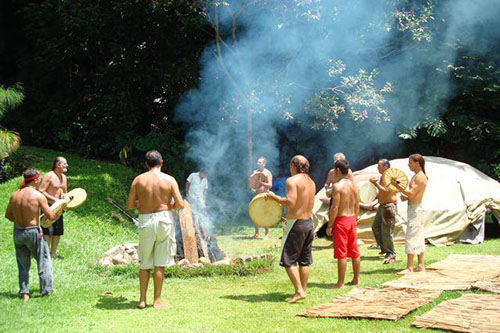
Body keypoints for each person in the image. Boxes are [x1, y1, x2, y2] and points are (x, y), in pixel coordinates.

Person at [126, 150, 184, 309]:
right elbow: (180, 204)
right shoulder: (169, 179)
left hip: (146, 219)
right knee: (160, 264)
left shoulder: (138, 180)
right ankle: (157, 300)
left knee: (145, 263)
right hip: (164, 218)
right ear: (162, 162)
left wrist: (141, 203)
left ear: (146, 164)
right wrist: (170, 205)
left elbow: (130, 205)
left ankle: (142, 300)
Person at [264, 155, 316, 303]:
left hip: (296, 224)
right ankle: (302, 290)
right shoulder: (311, 182)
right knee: (304, 261)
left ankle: (299, 291)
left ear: (294, 165)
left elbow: (291, 202)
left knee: (288, 260)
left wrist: (274, 197)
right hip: (309, 223)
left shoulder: (292, 181)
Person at [5, 169, 57, 301]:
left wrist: (19, 221)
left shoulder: (14, 195)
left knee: (22, 264)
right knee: (43, 260)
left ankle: (24, 293)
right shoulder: (38, 196)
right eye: (39, 179)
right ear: (35, 180)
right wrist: (57, 212)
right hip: (33, 231)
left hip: (18, 232)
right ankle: (46, 291)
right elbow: (50, 215)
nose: (40, 181)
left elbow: (8, 215)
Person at [326, 159, 361, 289]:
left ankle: (340, 282)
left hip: (341, 220)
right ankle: (356, 279)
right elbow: (357, 204)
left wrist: (330, 225)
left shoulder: (338, 186)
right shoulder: (354, 185)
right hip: (352, 218)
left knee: (342, 253)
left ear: (338, 170)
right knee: (354, 251)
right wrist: (355, 218)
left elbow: (335, 207)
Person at [391, 154, 428, 274]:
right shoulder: (416, 176)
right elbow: (411, 194)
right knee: (418, 235)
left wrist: (398, 186)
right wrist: (405, 196)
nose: (408, 165)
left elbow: (411, 193)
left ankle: (409, 267)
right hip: (415, 208)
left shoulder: (420, 177)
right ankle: (421, 265)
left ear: (417, 163)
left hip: (416, 209)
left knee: (411, 236)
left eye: (410, 163)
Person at [368, 159, 398, 264]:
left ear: (386, 166)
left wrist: (375, 183)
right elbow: (381, 193)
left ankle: (391, 253)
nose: (378, 167)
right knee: (375, 227)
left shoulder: (389, 176)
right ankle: (384, 249)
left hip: (388, 207)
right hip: (382, 206)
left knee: (387, 232)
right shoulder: (383, 177)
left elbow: (386, 191)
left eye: (379, 165)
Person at [39, 156, 68, 259]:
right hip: (48, 206)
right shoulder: (49, 175)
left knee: (57, 231)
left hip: (59, 207)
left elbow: (65, 193)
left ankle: (53, 254)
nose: (67, 165)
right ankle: (45, 253)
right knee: (47, 230)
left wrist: (66, 202)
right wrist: (54, 200)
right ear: (58, 164)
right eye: (64, 163)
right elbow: (41, 191)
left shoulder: (64, 177)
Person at [249, 156, 273, 240]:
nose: (258, 163)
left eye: (260, 162)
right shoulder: (255, 172)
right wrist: (253, 188)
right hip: (256, 195)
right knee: (254, 213)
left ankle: (267, 234)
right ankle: (257, 233)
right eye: (257, 162)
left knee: (265, 214)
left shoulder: (267, 173)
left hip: (265, 195)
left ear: (264, 164)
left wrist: (261, 182)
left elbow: (270, 185)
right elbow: (252, 184)